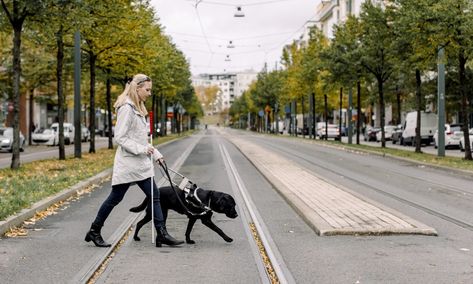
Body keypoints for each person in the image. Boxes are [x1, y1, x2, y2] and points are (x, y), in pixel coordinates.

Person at [85, 74, 183, 247]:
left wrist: (156, 153)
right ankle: (94, 230)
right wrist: (143, 150)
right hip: (129, 164)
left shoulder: (138, 108)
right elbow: (120, 138)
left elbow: (142, 139)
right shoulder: (126, 109)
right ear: (137, 88)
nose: (149, 93)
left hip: (141, 164)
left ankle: (162, 233)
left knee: (155, 196)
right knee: (115, 198)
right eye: (147, 89)